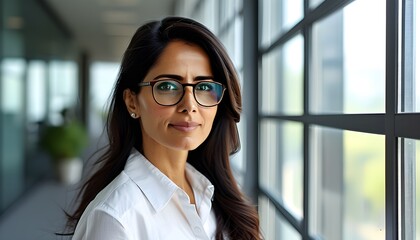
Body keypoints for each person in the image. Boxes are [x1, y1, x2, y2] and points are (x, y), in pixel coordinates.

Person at [66, 16, 261, 239]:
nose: (189, 105)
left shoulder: (210, 192)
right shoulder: (116, 218)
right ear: (132, 101)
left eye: (205, 86)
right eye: (168, 86)